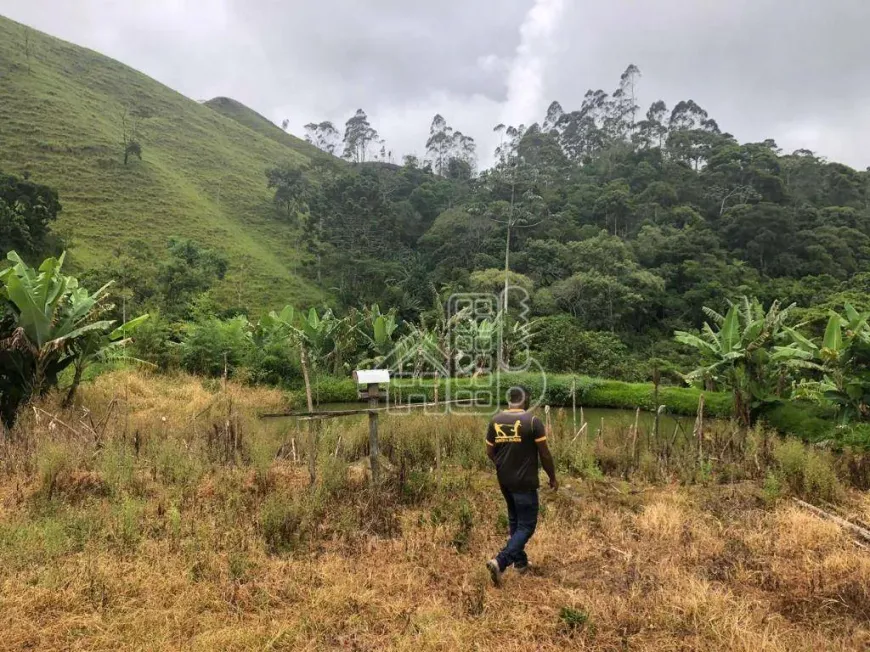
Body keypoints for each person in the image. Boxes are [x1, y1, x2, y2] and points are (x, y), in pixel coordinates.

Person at [485, 386, 557, 587]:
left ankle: (520, 562)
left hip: (504, 481)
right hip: (524, 483)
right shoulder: (532, 422)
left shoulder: (495, 421)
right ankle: (500, 561)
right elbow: (544, 454)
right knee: (527, 525)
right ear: (526, 401)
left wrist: (503, 466)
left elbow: (489, 452)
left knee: (515, 520)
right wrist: (552, 477)